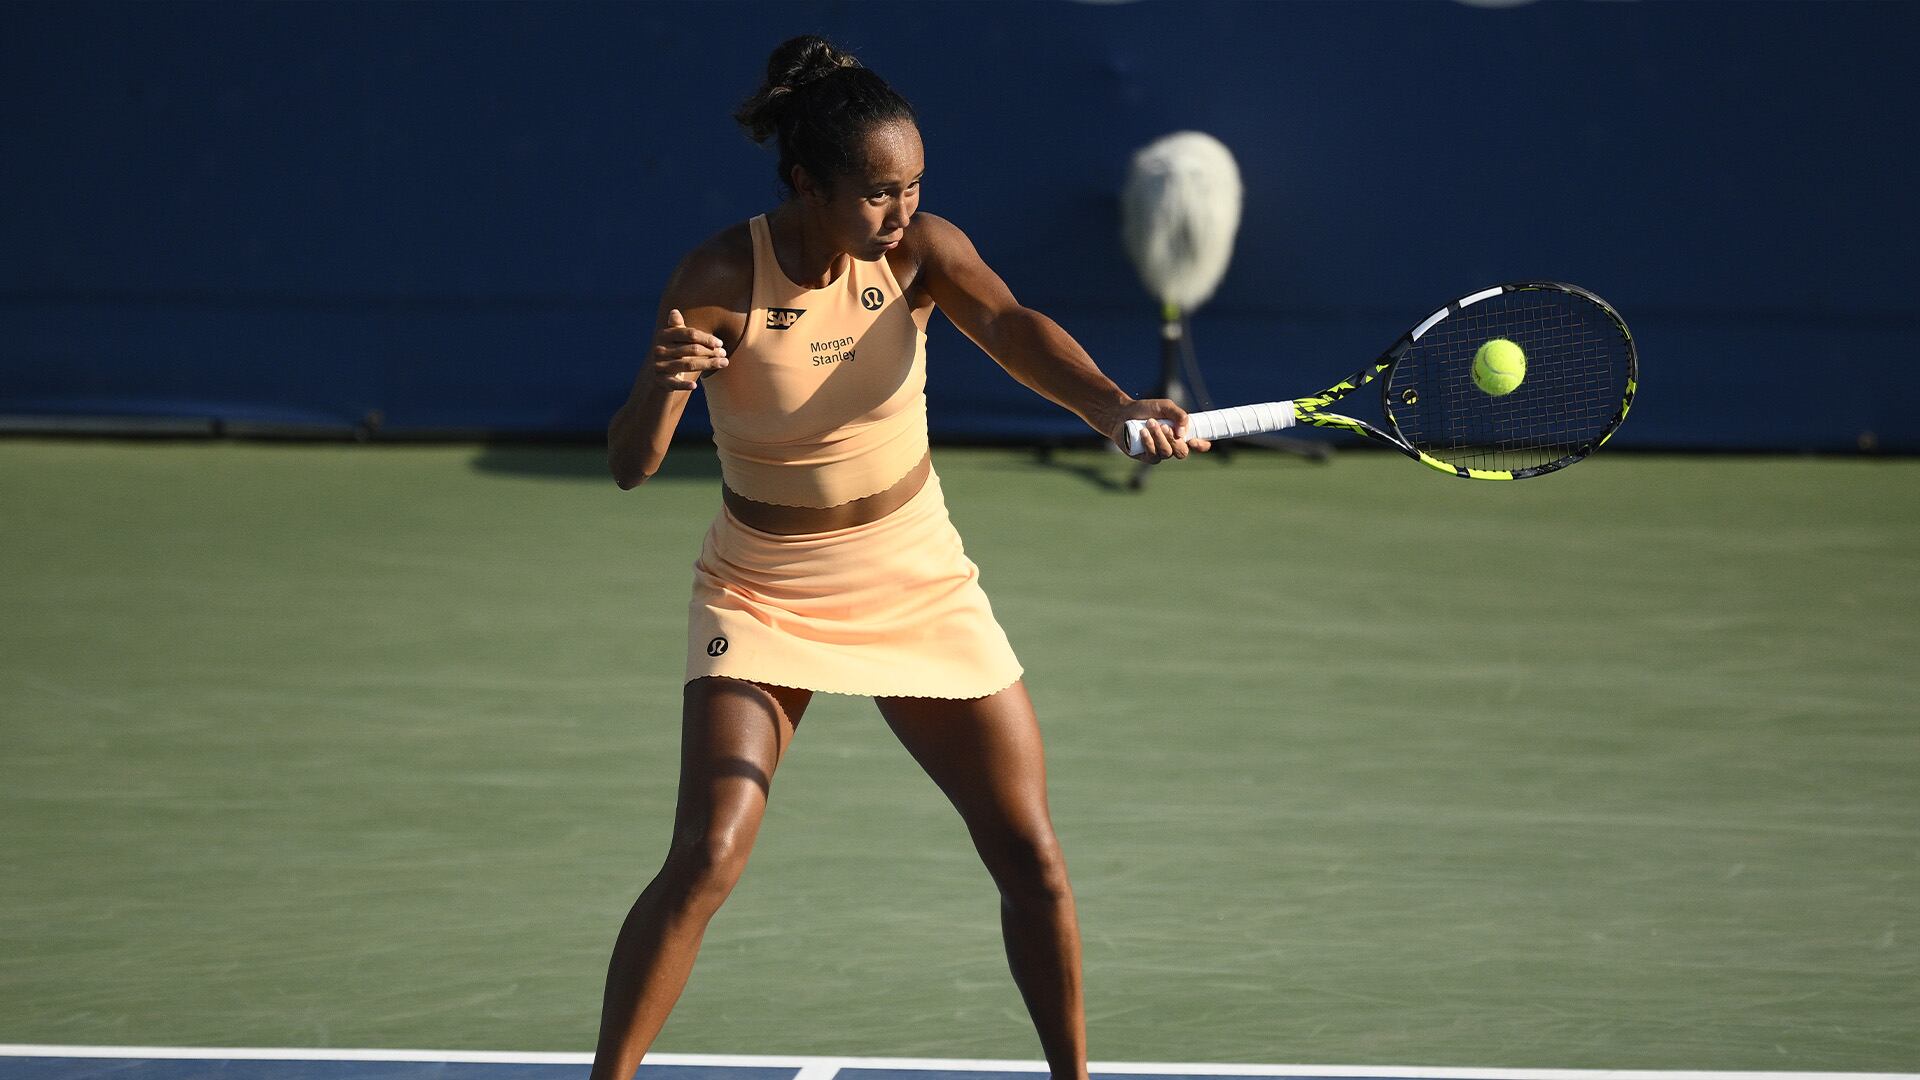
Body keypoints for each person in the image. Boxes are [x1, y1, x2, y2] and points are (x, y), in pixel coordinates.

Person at [594, 35, 1208, 1080]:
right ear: (807, 184)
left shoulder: (919, 251)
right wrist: (665, 382)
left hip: (916, 576)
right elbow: (630, 466)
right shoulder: (719, 277)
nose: (901, 210)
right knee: (708, 854)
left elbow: (1008, 324)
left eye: (914, 185)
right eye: (878, 192)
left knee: (1033, 859)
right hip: (764, 590)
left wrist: (1112, 406)